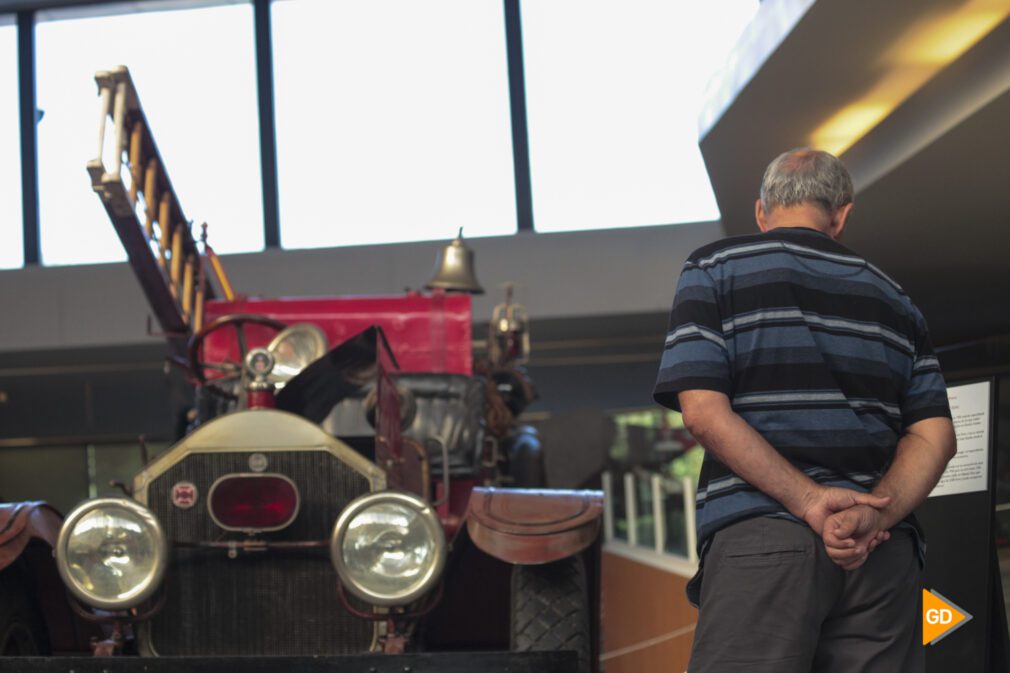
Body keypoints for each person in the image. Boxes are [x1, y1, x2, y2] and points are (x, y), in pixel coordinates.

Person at [653, 148, 956, 672]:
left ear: (761, 213)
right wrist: (874, 513)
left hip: (762, 540)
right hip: (881, 556)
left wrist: (810, 500)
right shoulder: (897, 301)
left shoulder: (713, 270)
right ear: (841, 215)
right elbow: (936, 438)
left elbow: (702, 411)